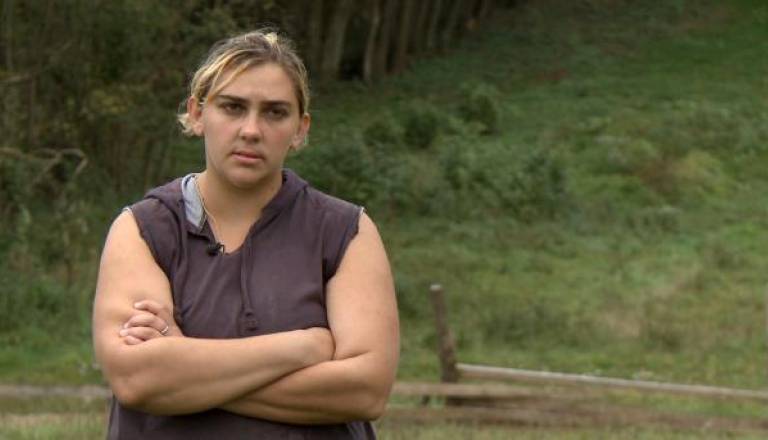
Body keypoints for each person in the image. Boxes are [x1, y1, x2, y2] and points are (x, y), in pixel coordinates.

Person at [92, 29, 400, 439]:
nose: (251, 129)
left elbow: (365, 391)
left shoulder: (343, 231)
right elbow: (138, 380)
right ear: (197, 114)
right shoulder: (143, 229)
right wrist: (302, 347)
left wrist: (184, 373)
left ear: (300, 128)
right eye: (233, 107)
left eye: (275, 112)